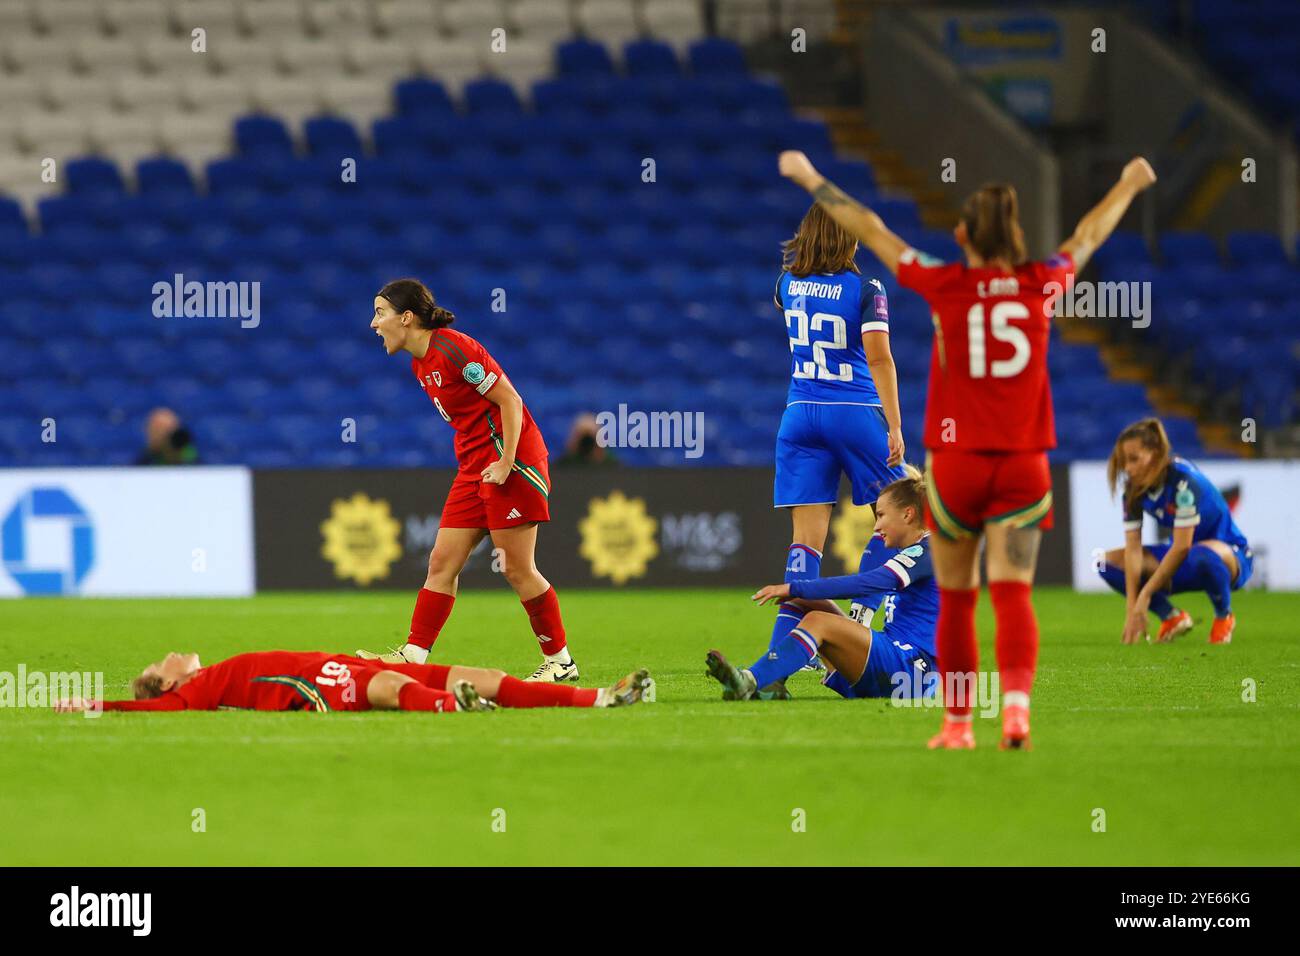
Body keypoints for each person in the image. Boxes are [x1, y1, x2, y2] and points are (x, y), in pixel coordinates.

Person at [779, 148, 1158, 749]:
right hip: (1023, 468)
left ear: (962, 236)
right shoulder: (1042, 282)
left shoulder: (946, 283)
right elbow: (1088, 235)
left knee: (956, 601)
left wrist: (810, 179)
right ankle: (1014, 714)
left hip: (956, 469)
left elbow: (872, 231)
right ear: (1016, 236)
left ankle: (956, 725)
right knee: (1012, 596)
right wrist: (1129, 183)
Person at [357, 278, 577, 682]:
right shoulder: (420, 363)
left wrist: (508, 461)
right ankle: (413, 656)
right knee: (441, 562)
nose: (373, 324)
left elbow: (510, 400)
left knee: (515, 567)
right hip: (474, 467)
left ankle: (561, 662)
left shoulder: (454, 349)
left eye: (379, 313)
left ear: (406, 318)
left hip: (511, 463)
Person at [768, 201, 907, 666]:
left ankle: (782, 652)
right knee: (902, 512)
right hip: (854, 411)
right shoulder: (866, 287)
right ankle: (863, 614)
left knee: (805, 543)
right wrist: (895, 423)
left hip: (799, 414)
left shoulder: (785, 284)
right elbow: (880, 358)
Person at [706, 469, 937, 701]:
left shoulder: (928, 551)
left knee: (819, 621)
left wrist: (794, 587)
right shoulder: (917, 551)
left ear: (907, 514)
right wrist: (799, 592)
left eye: (881, 515)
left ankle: (750, 680)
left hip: (914, 670)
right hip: (898, 662)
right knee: (807, 602)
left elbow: (869, 583)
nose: (876, 527)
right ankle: (773, 683)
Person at [52, 650, 654, 714]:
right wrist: (99, 705)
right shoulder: (197, 691)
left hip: (334, 661)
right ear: (168, 685)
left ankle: (603, 696)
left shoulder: (206, 673)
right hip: (317, 687)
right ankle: (452, 709)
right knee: (389, 687)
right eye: (165, 664)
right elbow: (158, 713)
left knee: (493, 675)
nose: (173, 654)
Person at [1097, 417, 1250, 645]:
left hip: (1230, 556)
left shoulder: (1184, 482)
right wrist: (1132, 609)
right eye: (1124, 462)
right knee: (1103, 562)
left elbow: (1182, 547)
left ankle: (1223, 615)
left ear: (1156, 453)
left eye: (1134, 459)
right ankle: (1171, 616)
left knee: (1200, 553)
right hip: (1183, 560)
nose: (1127, 468)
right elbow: (1133, 550)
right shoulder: (1133, 491)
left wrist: (1145, 595)